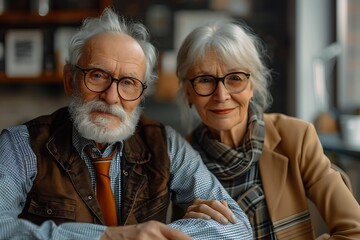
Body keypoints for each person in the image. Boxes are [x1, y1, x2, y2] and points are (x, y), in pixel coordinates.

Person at [0, 8, 254, 240]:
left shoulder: (166, 144)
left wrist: (154, 235)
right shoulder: (21, 145)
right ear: (70, 80)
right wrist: (111, 237)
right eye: (98, 76)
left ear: (141, 95)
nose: (112, 97)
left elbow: (238, 227)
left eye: (128, 83)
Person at [175, 19, 360, 239]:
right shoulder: (179, 161)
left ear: (252, 86)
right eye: (205, 80)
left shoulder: (296, 137)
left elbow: (354, 230)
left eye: (235, 78)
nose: (222, 95)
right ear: (188, 91)